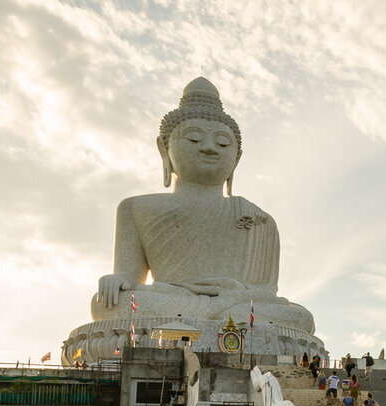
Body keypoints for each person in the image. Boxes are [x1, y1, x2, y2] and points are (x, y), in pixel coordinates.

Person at [85, 78, 316, 365]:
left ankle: (211, 316)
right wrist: (118, 280)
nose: (209, 148)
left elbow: (266, 291)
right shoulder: (135, 208)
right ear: (164, 149)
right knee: (106, 304)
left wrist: (229, 296)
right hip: (170, 299)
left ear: (237, 158)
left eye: (222, 142)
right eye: (194, 139)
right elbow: (131, 278)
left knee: (301, 317)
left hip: (236, 305)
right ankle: (212, 317)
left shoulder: (260, 219)